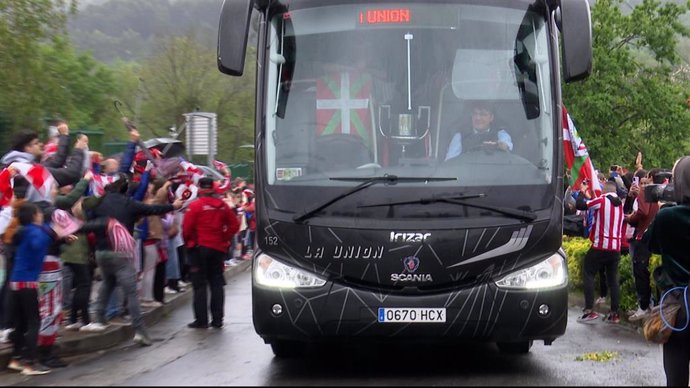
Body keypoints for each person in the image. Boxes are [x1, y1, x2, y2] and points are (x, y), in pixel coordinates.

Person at [82, 173, 183, 346]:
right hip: (121, 251)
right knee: (131, 292)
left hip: (101, 251)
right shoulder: (129, 203)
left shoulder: (99, 202)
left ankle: (99, 319)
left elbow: (89, 218)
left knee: (108, 283)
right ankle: (140, 331)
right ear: (125, 189)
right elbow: (151, 209)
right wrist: (172, 206)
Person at [642, 156, 690, 386]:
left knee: (676, 376)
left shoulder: (667, 216)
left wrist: (662, 211)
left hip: (677, 308)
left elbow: (651, 245)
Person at [6, 201, 65, 375]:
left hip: (16, 281)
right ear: (34, 216)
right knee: (34, 322)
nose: (41, 215)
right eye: (39, 213)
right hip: (28, 282)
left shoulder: (24, 231)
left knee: (21, 322)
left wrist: (55, 234)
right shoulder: (34, 232)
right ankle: (30, 363)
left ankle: (16, 359)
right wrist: (56, 234)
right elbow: (39, 244)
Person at [183, 177, 239, 329]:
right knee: (217, 284)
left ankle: (201, 320)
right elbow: (234, 224)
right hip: (217, 249)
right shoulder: (222, 206)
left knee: (200, 285)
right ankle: (217, 319)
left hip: (198, 249)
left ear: (200, 189)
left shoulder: (195, 206)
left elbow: (187, 229)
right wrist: (224, 239)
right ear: (213, 189)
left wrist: (190, 243)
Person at [575, 180, 624, 324]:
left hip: (600, 245)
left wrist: (582, 192)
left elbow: (580, 205)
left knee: (588, 273)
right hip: (615, 248)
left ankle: (589, 310)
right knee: (613, 279)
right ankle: (614, 314)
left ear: (604, 190)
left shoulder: (602, 200)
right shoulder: (620, 204)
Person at [626, 168, 659, 322]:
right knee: (642, 272)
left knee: (639, 272)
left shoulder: (644, 193)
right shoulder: (656, 194)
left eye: (645, 182)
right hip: (648, 237)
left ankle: (644, 307)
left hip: (641, 238)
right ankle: (648, 304)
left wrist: (631, 218)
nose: (642, 185)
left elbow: (643, 212)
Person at [444, 101, 513, 161]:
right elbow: (450, 162)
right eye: (475, 114)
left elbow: (507, 148)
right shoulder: (460, 136)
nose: (478, 118)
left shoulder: (500, 134)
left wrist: (501, 146)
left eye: (483, 114)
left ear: (491, 118)